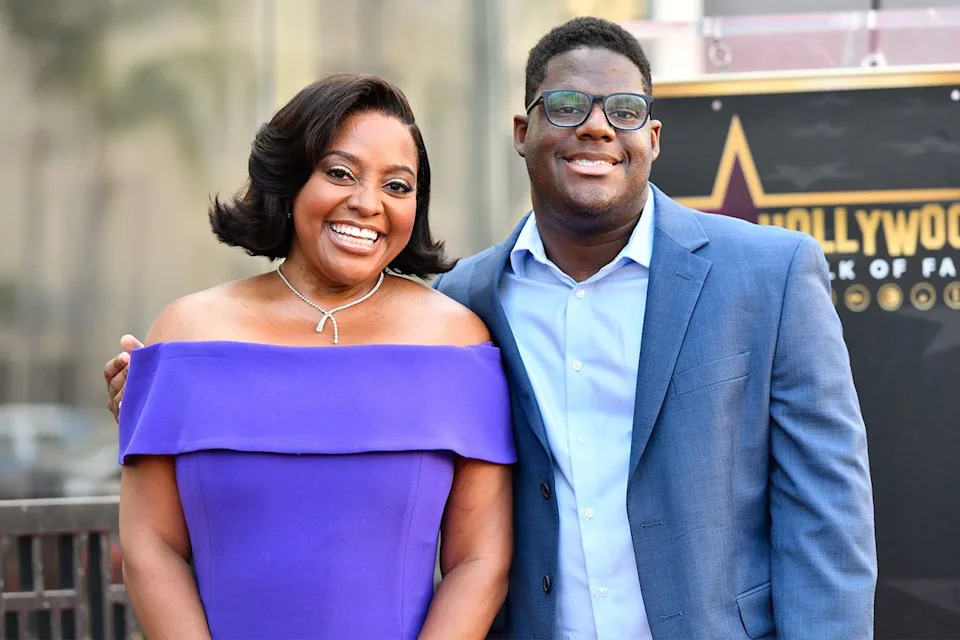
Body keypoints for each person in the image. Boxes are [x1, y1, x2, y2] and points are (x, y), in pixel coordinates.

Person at [107, 17, 878, 640]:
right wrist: (168, 395)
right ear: (523, 129)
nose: (599, 128)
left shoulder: (769, 274)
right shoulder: (473, 299)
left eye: (626, 110)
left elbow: (828, 513)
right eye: (568, 106)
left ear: (654, 136)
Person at [113, 73, 514, 640]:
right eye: (340, 173)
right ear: (291, 177)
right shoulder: (186, 332)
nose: (367, 203)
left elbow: (479, 562)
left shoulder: (457, 340)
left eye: (398, 186)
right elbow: (151, 546)